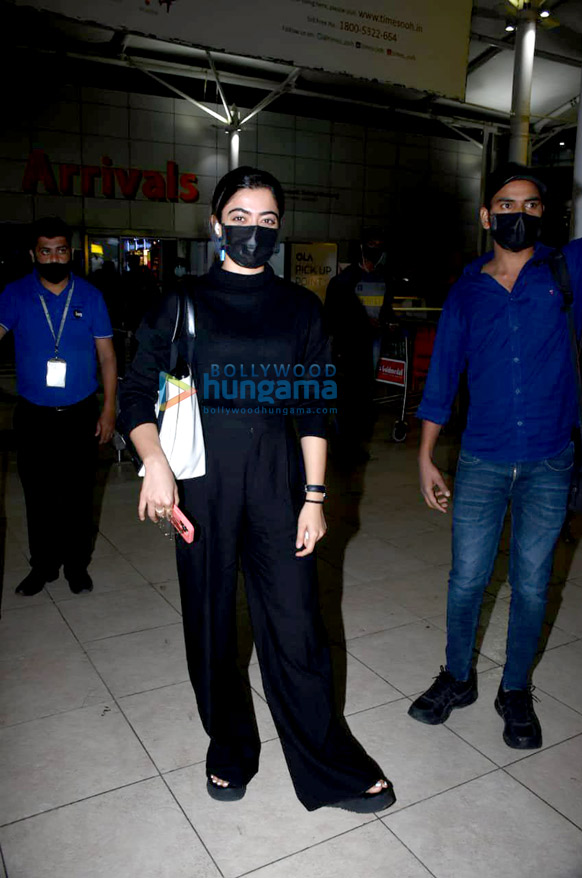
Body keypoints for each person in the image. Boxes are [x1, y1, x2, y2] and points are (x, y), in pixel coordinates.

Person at [119, 167, 395, 813]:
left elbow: (313, 408)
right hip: (201, 485)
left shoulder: (300, 307)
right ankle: (229, 748)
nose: (252, 230)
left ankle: (327, 762)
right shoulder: (179, 300)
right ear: (216, 224)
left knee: (297, 627)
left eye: (266, 220)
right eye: (239, 218)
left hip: (279, 484)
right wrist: (154, 460)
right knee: (211, 626)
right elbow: (136, 389)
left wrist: (316, 498)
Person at [410, 164, 582, 749]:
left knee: (534, 584)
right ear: (486, 216)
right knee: (467, 581)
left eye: (532, 205)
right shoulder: (465, 290)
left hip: (550, 459)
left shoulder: (569, 270)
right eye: (507, 204)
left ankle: (515, 690)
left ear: (545, 213)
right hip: (481, 459)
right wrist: (427, 456)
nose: (520, 214)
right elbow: (442, 376)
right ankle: (457, 678)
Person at [0, 217, 117, 595]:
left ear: (71, 252)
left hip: (80, 413)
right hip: (33, 415)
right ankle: (44, 566)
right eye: (46, 251)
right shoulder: (14, 294)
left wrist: (109, 408)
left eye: (61, 250)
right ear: (34, 254)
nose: (54, 258)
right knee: (38, 496)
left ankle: (77, 566)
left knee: (80, 495)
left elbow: (108, 358)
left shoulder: (90, 296)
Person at [324, 226, 399, 464]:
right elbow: (333, 316)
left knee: (362, 398)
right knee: (346, 397)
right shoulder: (344, 280)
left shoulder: (384, 279)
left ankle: (353, 445)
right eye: (371, 245)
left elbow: (386, 309)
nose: (375, 251)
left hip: (371, 346)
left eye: (379, 246)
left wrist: (388, 323)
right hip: (349, 349)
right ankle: (340, 446)